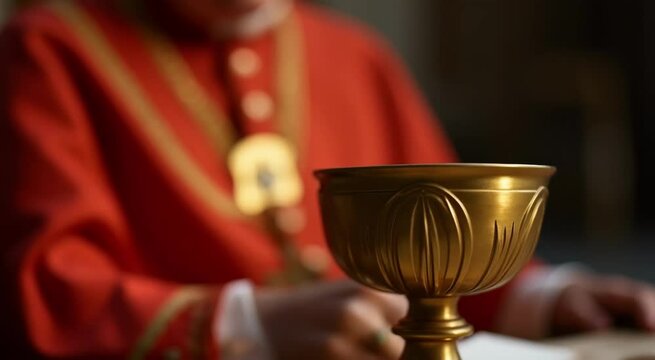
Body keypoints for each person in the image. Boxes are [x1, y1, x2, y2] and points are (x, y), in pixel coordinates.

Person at [1, 0, 654, 359]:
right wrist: (244, 328)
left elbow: (431, 251)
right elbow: (42, 291)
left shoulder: (353, 53)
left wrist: (546, 296)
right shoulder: (50, 47)